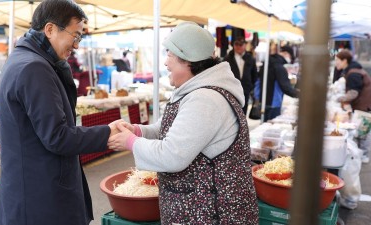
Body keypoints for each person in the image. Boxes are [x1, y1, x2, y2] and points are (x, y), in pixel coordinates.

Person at [108, 22, 259, 224]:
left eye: (169, 55)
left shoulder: (206, 99)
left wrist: (131, 142)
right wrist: (137, 130)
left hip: (213, 214)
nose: (165, 63)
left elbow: (172, 155)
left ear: (188, 60)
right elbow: (169, 128)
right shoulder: (198, 90)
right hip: (198, 209)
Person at [0, 1, 117, 225]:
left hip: (28, 188)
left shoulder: (22, 59)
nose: (77, 45)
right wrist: (108, 133)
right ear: (50, 29)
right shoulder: (34, 68)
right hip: (40, 195)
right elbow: (57, 136)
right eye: (76, 36)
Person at [335, 49, 371, 163]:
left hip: (364, 105)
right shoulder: (352, 70)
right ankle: (362, 154)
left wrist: (340, 98)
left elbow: (353, 93)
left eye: (337, 60)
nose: (336, 63)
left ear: (345, 60)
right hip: (363, 104)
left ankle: (363, 155)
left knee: (363, 130)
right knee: (361, 130)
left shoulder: (353, 73)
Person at [255, 45, 299, 121]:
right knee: (270, 126)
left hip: (263, 101)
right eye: (290, 56)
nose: (290, 59)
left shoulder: (266, 63)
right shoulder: (279, 67)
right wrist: (299, 94)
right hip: (274, 103)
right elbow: (285, 87)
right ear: (286, 54)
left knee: (264, 125)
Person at [223, 36, 258, 114]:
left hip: (245, 89)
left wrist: (250, 86)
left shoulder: (250, 58)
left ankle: (242, 126)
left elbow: (254, 74)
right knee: (232, 112)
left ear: (245, 45)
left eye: (240, 45)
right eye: (236, 44)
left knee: (243, 112)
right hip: (231, 89)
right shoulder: (228, 58)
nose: (238, 46)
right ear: (233, 45)